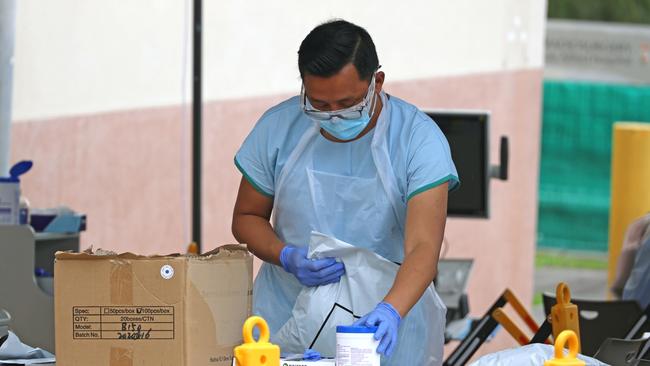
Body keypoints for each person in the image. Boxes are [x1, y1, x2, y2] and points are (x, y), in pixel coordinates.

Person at [231, 19, 459, 364]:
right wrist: (285, 255)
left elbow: (424, 247)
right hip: (286, 320)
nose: (334, 116)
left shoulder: (418, 141)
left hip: (382, 329)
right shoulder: (278, 128)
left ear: (377, 82)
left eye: (348, 104)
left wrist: (390, 311)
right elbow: (247, 217)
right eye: (319, 105)